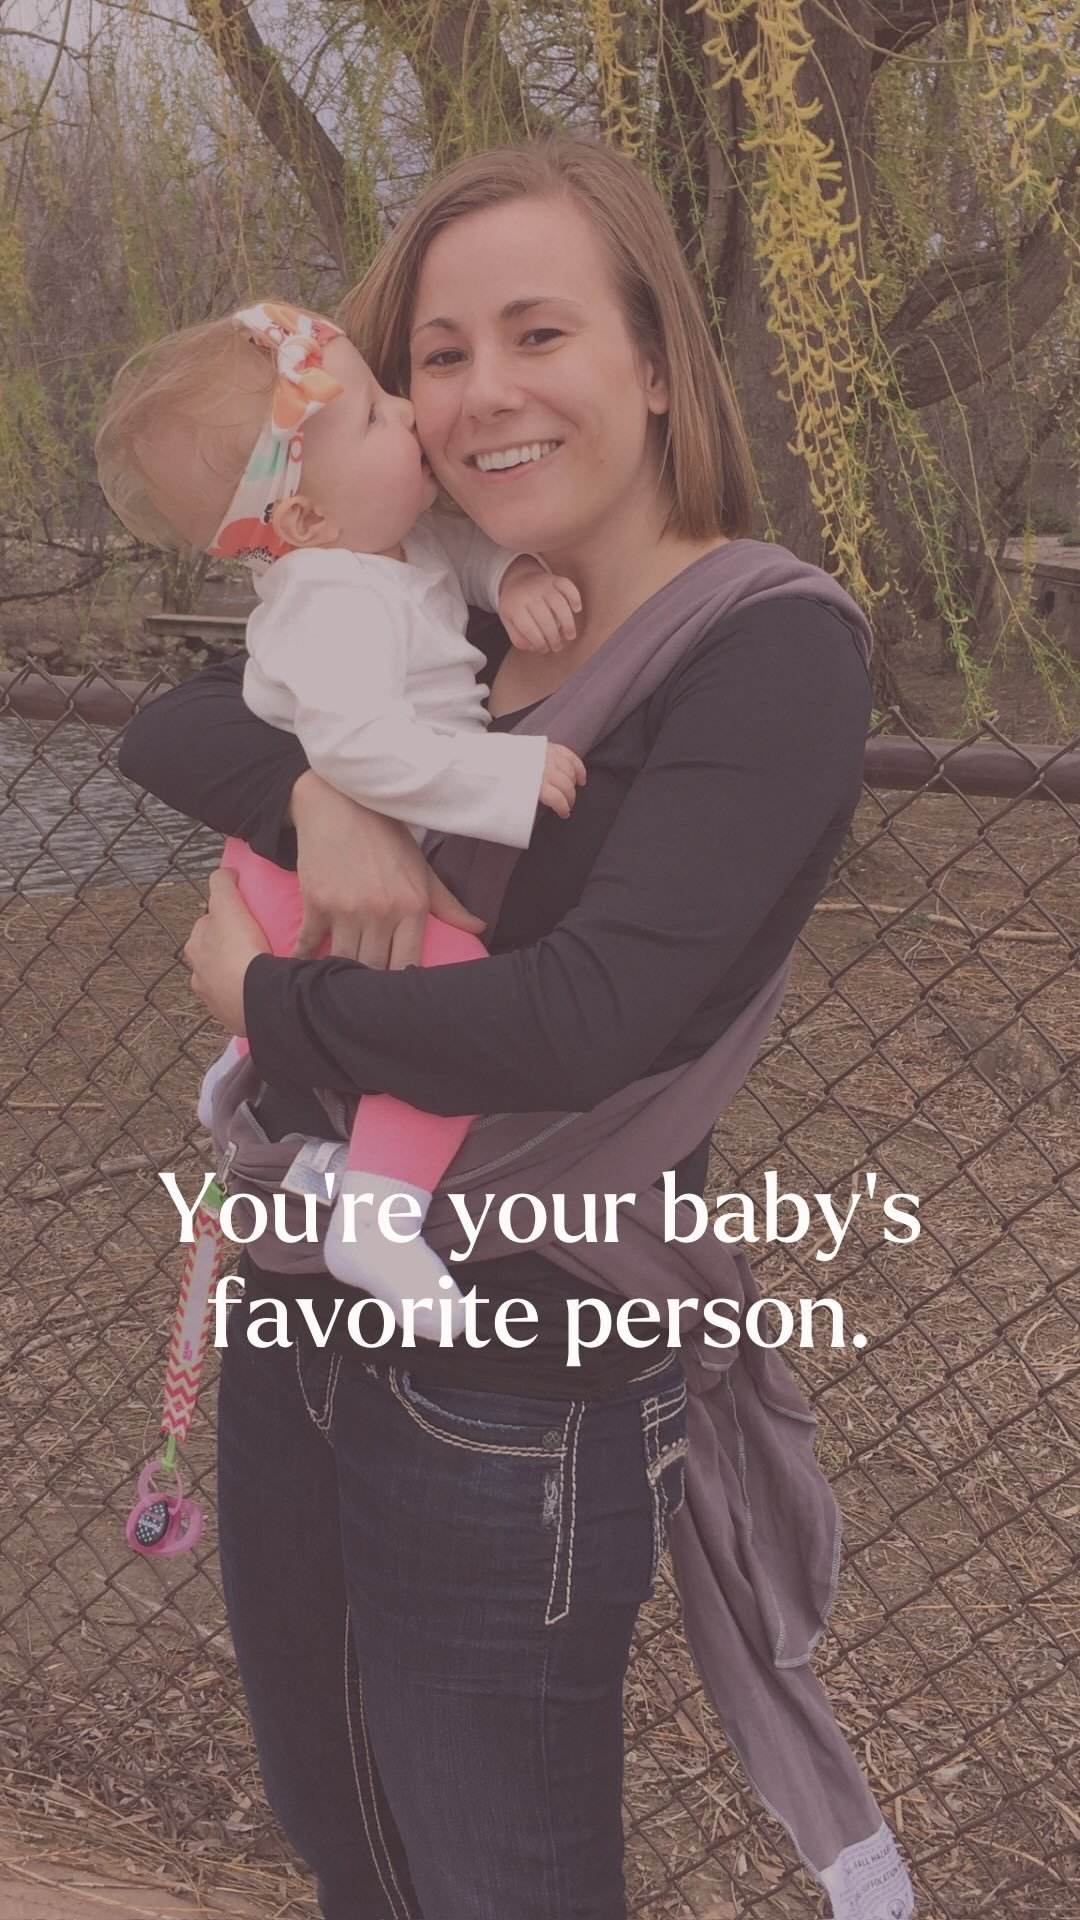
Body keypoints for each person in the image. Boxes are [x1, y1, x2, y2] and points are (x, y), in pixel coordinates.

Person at [118, 140, 910, 1920]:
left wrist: (267, 1000)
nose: (481, 393)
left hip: (516, 1365)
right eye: (440, 353)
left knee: (498, 1879)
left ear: (657, 359)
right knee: (345, 1839)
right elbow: (171, 724)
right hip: (297, 1315)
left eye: (538, 333)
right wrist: (326, 803)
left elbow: (580, 1023)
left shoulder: (764, 646)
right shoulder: (444, 594)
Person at [95, 297, 586, 1329]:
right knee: (450, 1003)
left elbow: (460, 555)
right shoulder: (333, 598)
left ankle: (248, 1059)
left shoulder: (387, 545)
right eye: (370, 416)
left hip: (299, 856)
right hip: (295, 871)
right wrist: (499, 778)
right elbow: (359, 748)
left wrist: (514, 577)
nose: (406, 412)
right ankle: (377, 1212)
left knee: (392, 996)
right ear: (306, 523)